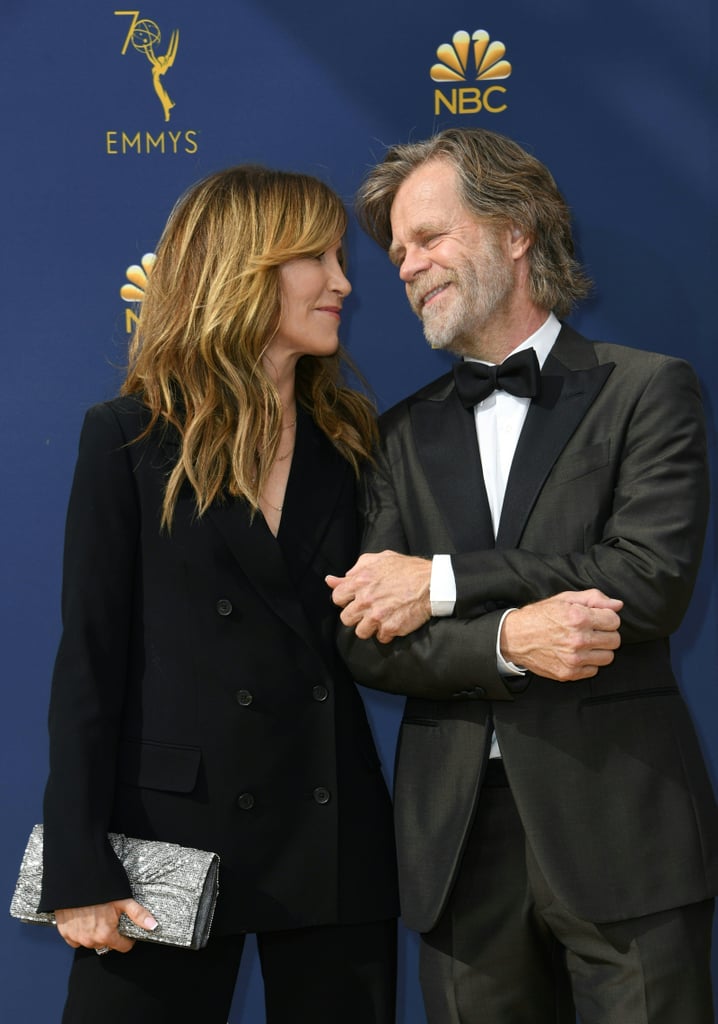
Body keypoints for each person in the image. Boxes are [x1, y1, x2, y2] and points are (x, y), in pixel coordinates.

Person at [327, 128, 718, 1023]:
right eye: (397, 253)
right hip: (457, 851)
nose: (407, 266)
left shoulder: (646, 391)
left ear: (516, 230)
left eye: (429, 237)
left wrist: (444, 584)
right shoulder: (396, 437)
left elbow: (648, 581)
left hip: (624, 830)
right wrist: (508, 640)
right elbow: (372, 641)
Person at [38, 165, 398, 1024]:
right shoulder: (128, 438)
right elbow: (89, 662)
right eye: (317, 257)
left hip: (331, 831)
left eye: (342, 258)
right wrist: (79, 866)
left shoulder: (352, 440)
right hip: (164, 839)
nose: (345, 282)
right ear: (244, 266)